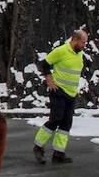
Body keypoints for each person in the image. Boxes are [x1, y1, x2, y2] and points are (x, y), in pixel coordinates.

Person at [33, 28, 88, 164]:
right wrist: (49, 81)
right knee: (55, 119)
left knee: (66, 122)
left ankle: (59, 153)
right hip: (58, 91)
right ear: (74, 40)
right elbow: (44, 64)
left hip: (71, 93)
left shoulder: (79, 54)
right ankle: (38, 147)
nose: (84, 45)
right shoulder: (61, 51)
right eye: (83, 42)